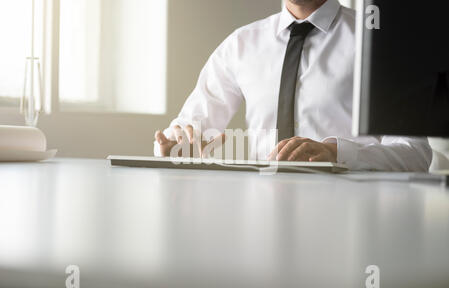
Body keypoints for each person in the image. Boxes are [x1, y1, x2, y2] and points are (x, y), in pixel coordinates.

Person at [154, 0, 432, 171]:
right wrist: (175, 148)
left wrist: (337, 153)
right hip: (260, 220)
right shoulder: (240, 45)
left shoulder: (379, 41)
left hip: (352, 220)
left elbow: (416, 154)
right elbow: (187, 128)